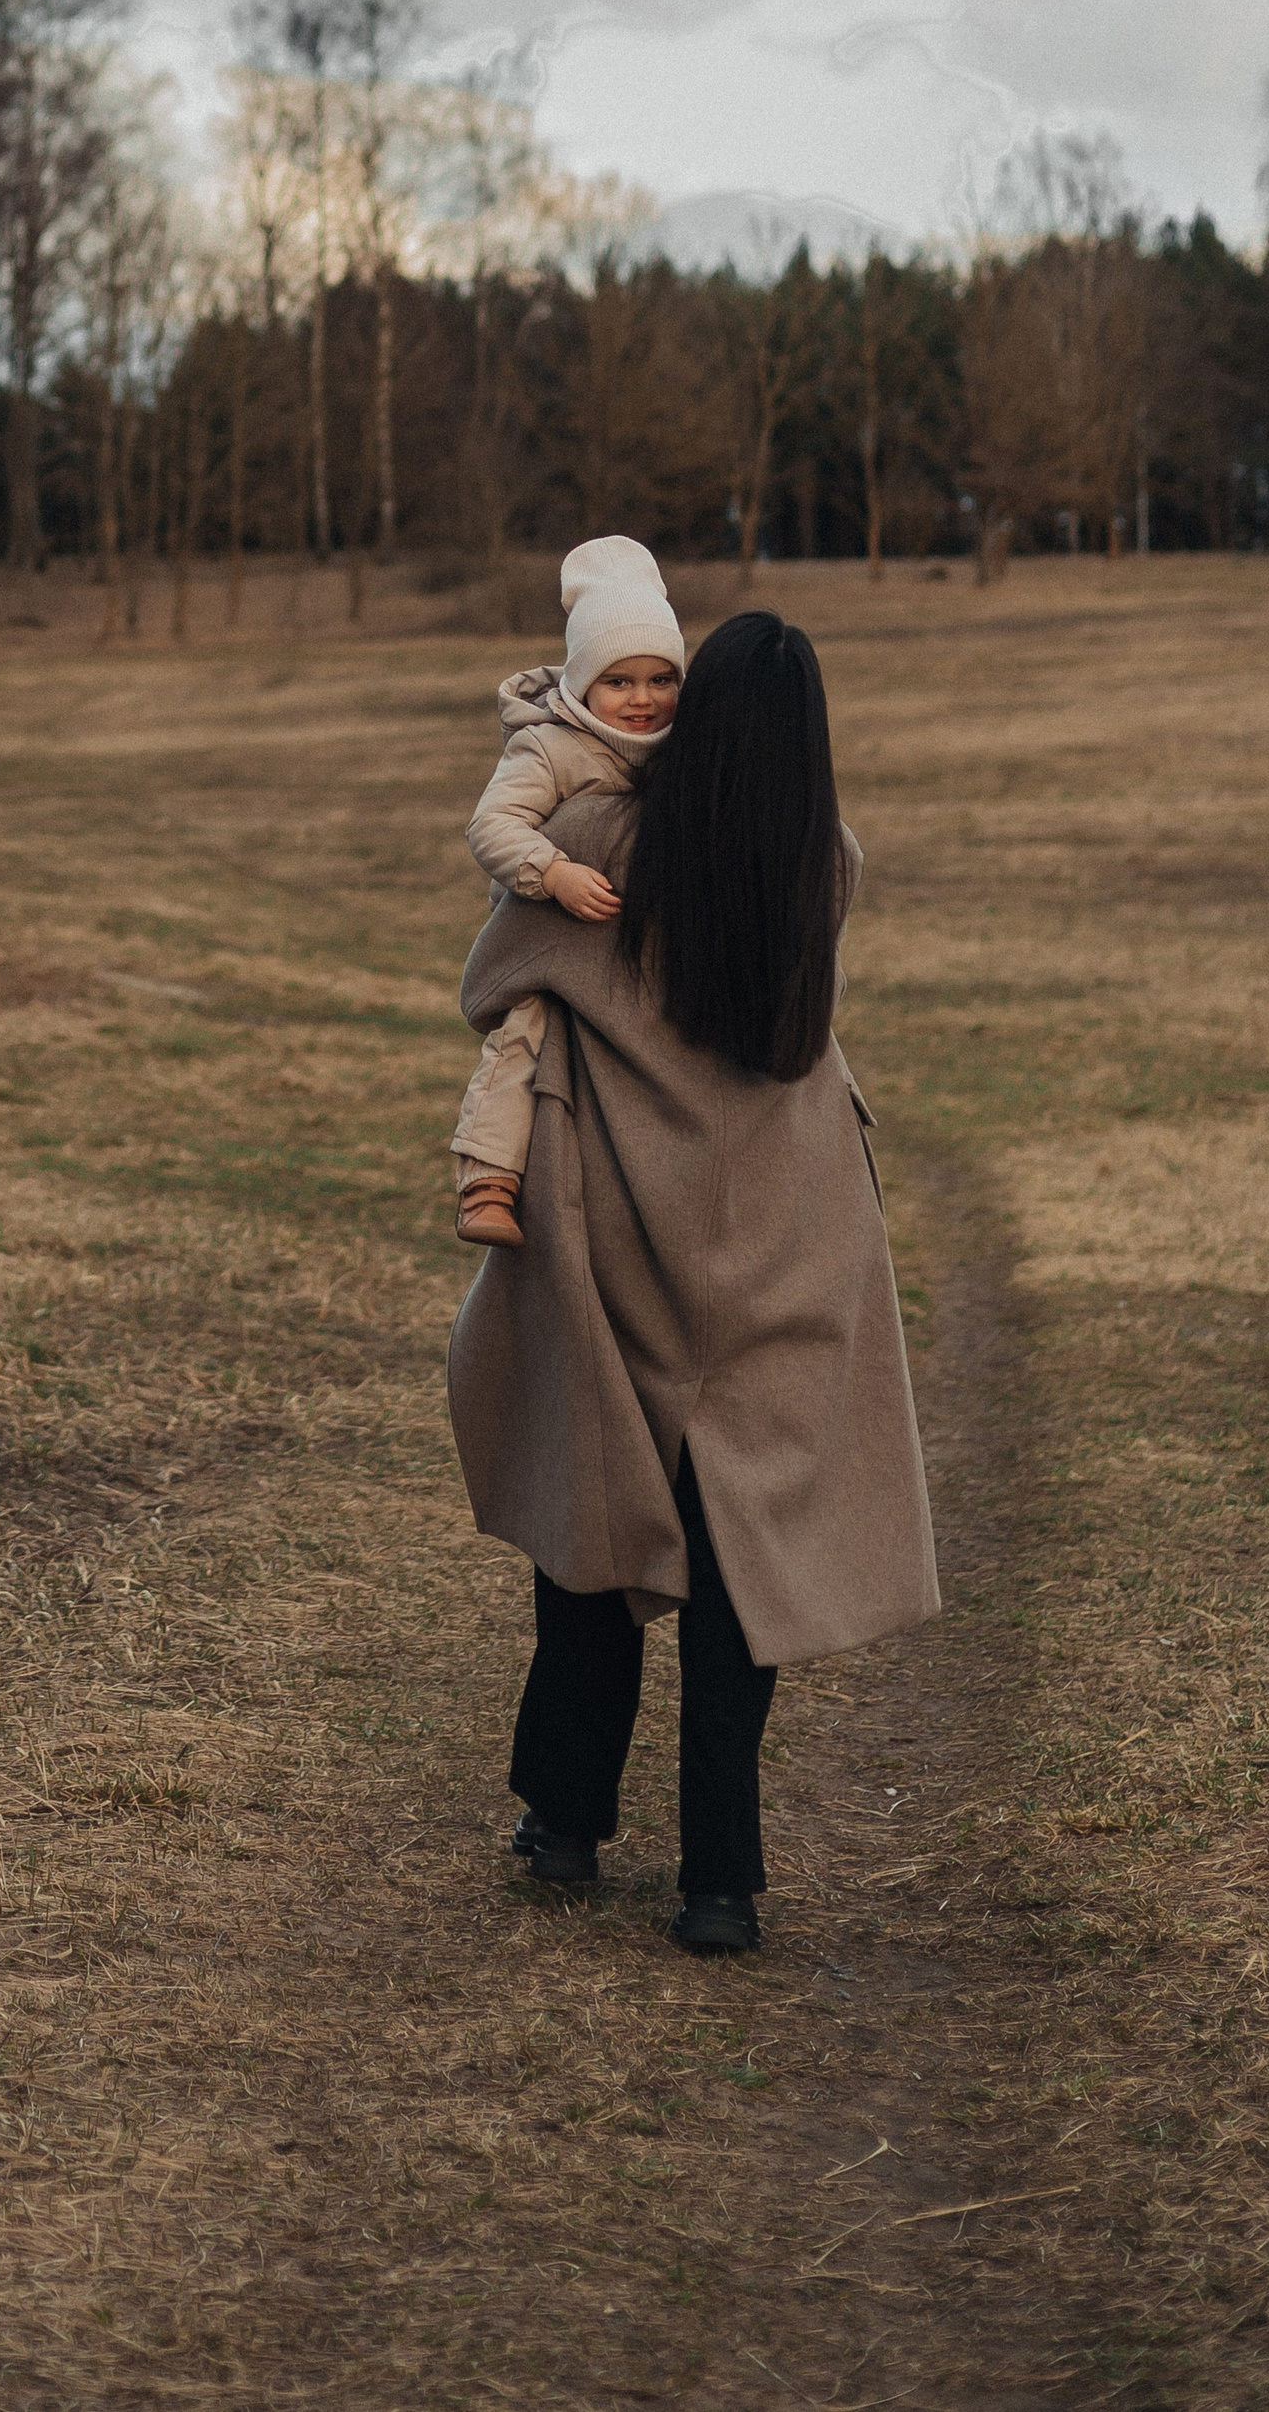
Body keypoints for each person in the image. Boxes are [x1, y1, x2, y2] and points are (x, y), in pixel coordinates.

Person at [445, 607, 937, 1956]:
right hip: (791, 1224)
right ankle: (720, 1879)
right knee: (743, 1551)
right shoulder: (824, 861)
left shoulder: (598, 840)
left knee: (594, 1505)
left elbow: (499, 975)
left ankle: (565, 1820)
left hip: (621, 1218)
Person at [451, 537, 684, 1253]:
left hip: (631, 940)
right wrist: (553, 872)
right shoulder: (549, 747)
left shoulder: (683, 747)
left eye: (661, 679)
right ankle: (487, 1177)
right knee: (528, 1029)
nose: (642, 699)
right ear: (583, 683)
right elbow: (491, 825)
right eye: (619, 681)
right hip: (549, 924)